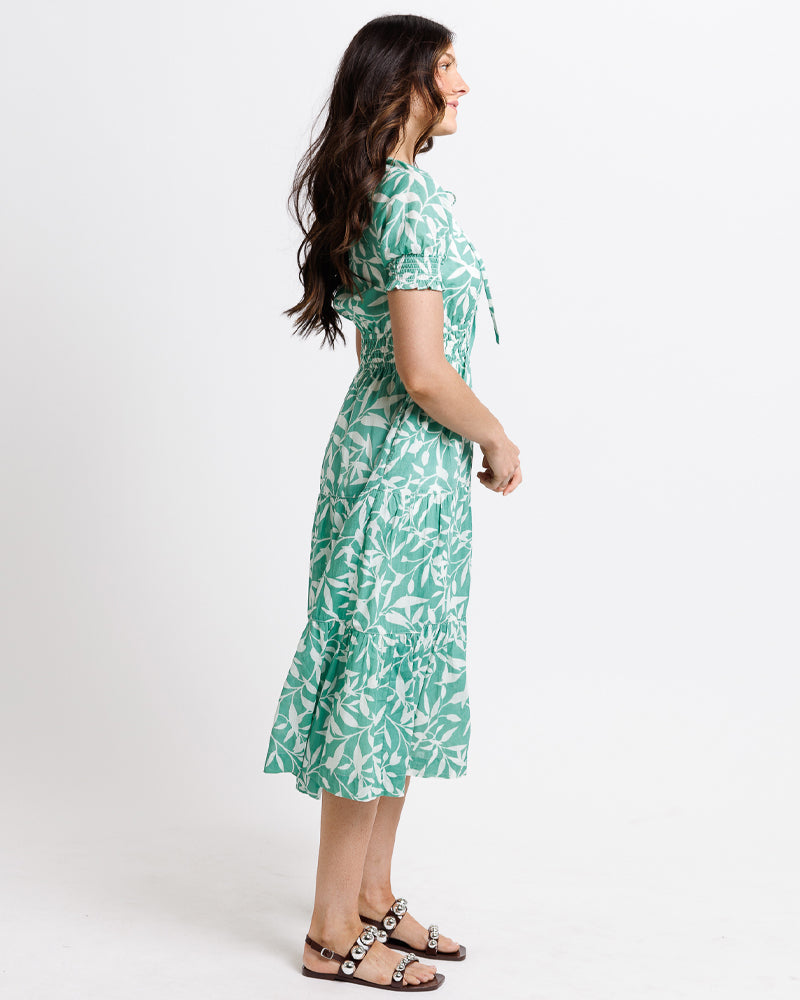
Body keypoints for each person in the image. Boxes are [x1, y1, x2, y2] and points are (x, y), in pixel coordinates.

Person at [263, 13, 522, 992]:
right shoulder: (404, 204)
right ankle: (332, 929)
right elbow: (422, 372)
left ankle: (371, 893)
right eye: (445, 67)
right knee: (374, 679)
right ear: (400, 86)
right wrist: (494, 433)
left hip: (404, 471)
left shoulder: (397, 192)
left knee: (401, 673)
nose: (462, 85)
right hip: (398, 469)